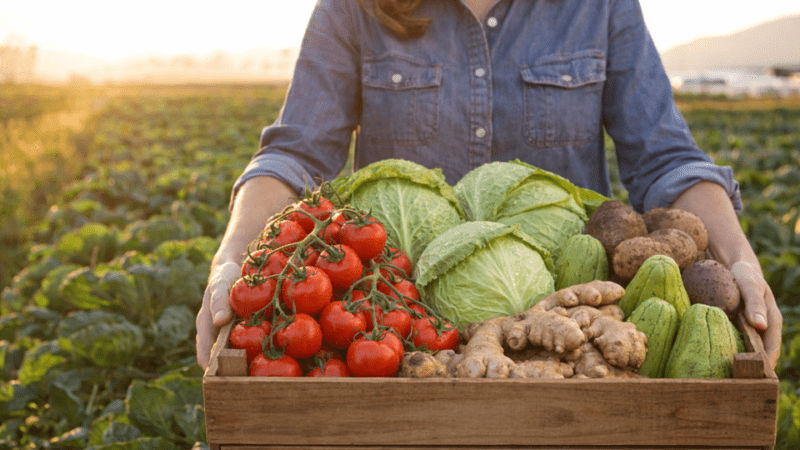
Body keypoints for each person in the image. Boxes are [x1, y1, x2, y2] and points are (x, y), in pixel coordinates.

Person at [195, 0, 782, 370]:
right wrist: (230, 260)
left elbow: (666, 159)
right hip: (403, 337)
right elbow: (295, 156)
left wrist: (740, 258)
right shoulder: (353, 9)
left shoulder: (600, 7)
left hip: (581, 331)